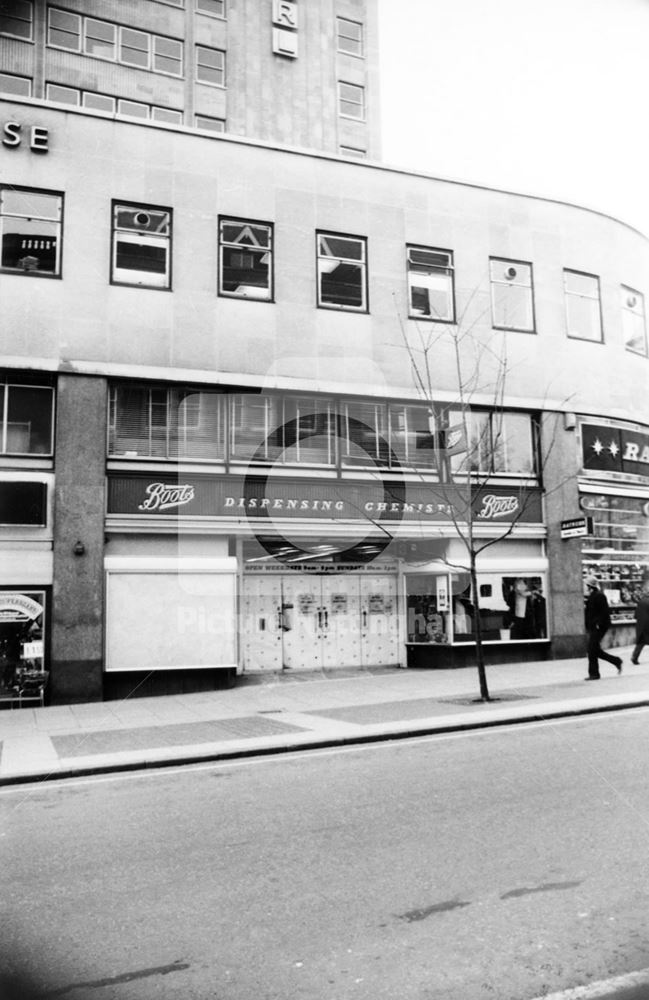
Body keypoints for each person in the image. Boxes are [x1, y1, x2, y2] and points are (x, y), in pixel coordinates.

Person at [584, 575, 622, 680]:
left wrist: (598, 624)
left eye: (586, 585)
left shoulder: (599, 596)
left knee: (591, 650)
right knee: (594, 649)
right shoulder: (592, 596)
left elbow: (604, 612)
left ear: (589, 586)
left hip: (598, 627)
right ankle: (616, 661)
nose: (585, 587)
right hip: (594, 626)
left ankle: (594, 674)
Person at [631, 586, 649, 665]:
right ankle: (634, 658)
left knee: (641, 642)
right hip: (648, 624)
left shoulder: (641, 602)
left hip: (641, 625)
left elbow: (636, 615)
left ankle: (634, 657)